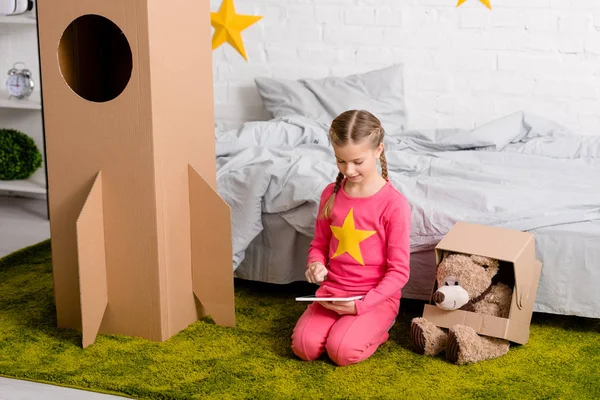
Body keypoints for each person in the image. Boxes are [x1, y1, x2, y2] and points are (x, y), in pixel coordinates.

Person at [291, 109, 411, 366]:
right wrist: (316, 265)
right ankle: (345, 327)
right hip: (333, 293)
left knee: (342, 352)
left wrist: (362, 306)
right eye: (340, 161)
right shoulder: (330, 194)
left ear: (378, 150)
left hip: (374, 299)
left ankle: (378, 329)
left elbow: (399, 272)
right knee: (304, 348)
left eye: (357, 161)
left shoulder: (394, 204)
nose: (349, 170)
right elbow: (319, 245)